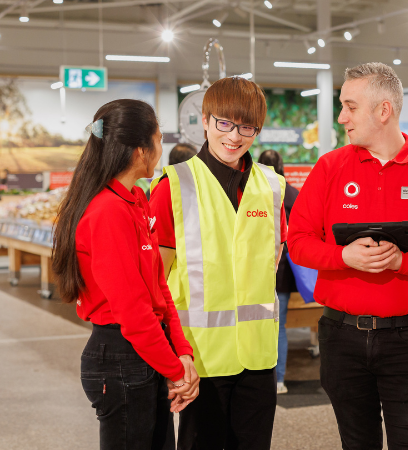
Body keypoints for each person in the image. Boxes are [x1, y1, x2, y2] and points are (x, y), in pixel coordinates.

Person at [288, 62, 408, 449]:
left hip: (406, 339)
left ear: (383, 111)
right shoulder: (329, 168)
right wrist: (344, 257)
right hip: (340, 337)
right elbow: (298, 242)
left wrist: (404, 261)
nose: (341, 117)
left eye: (350, 106)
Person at [52, 99, 199, 450]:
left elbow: (160, 290)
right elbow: (133, 312)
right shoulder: (107, 212)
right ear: (139, 151)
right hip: (120, 357)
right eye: (159, 139)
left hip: (145, 352)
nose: (161, 149)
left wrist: (182, 353)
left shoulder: (135, 199)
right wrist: (177, 372)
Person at [150, 76, 286, 450]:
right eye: (224, 123)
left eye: (246, 126)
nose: (235, 136)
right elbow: (154, 283)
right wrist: (171, 356)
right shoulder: (172, 187)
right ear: (205, 121)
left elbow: (269, 267)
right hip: (200, 359)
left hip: (258, 358)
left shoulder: (272, 188)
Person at [257, 149, 299, 395]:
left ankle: (265, 376)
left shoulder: (255, 191)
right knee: (278, 325)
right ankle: (279, 378)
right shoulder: (292, 193)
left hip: (259, 270)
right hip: (285, 273)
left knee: (260, 325)